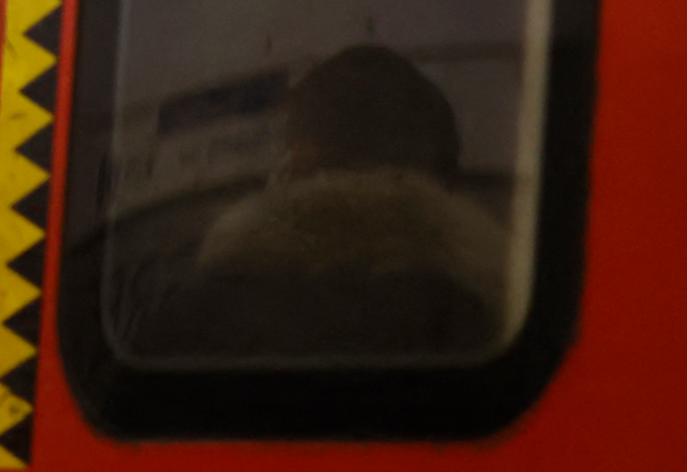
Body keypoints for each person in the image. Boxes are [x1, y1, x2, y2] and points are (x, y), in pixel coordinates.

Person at [144, 44, 506, 358]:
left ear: (303, 154)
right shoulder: (488, 326)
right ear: (444, 177)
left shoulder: (197, 322)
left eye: (288, 145)